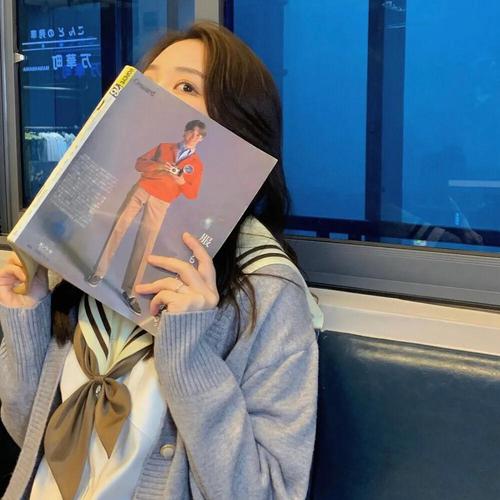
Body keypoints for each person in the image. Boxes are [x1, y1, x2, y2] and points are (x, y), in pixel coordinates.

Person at [0, 22, 320, 500]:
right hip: (138, 195)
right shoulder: (76, 257)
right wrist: (25, 313)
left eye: (187, 87)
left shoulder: (268, 290)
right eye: (147, 81)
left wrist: (188, 355)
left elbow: (269, 493)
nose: (157, 96)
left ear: (235, 126)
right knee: (117, 240)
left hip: (163, 206)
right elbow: (31, 437)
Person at [86, 119, 207, 316]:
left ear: (201, 139)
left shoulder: (196, 164)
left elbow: (192, 193)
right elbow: (139, 163)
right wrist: (160, 166)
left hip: (162, 200)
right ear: (184, 132)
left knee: (146, 243)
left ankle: (130, 292)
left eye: (198, 135)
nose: (194, 137)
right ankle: (98, 272)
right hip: (142, 189)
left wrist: (181, 180)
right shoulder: (164, 147)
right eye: (191, 132)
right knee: (119, 226)